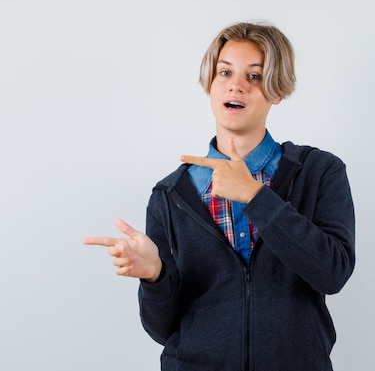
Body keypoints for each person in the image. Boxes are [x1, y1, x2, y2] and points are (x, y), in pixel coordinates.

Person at [83, 22, 356, 371]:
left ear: (277, 91)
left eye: (255, 76)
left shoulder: (319, 172)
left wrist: (256, 197)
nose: (236, 85)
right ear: (210, 84)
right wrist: (155, 277)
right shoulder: (170, 195)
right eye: (224, 72)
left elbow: (333, 273)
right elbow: (162, 328)